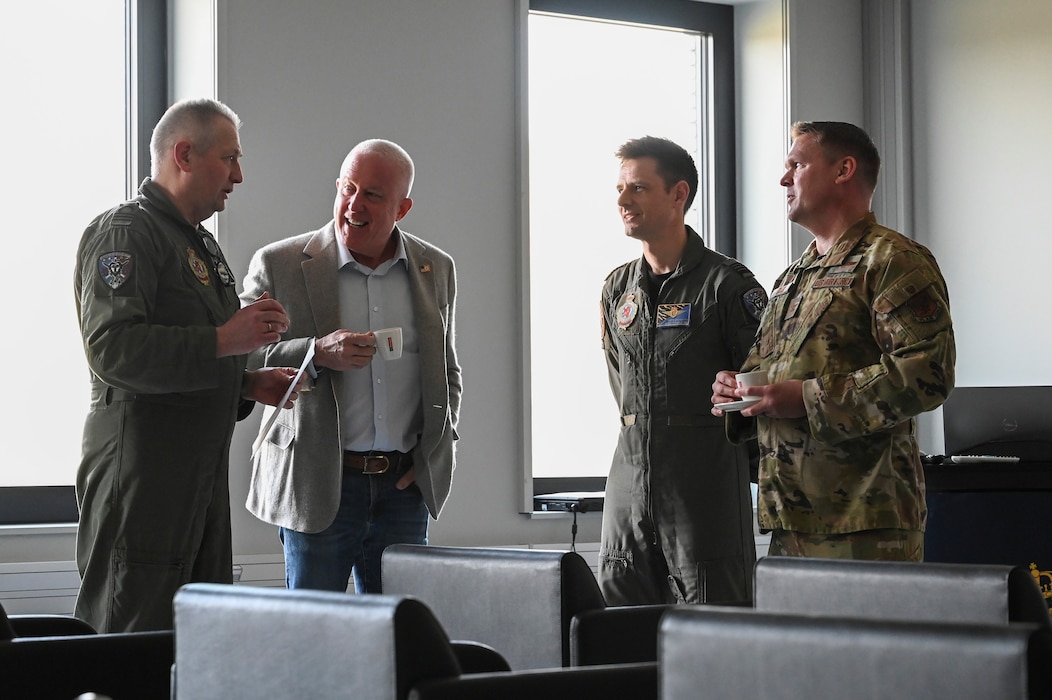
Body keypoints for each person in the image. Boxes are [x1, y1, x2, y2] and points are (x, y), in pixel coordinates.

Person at [74, 98, 302, 633]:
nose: (238, 176)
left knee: (197, 641)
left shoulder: (200, 245)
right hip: (143, 478)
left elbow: (198, 356)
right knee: (130, 642)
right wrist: (225, 339)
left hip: (197, 479)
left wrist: (246, 384)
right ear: (184, 155)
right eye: (229, 159)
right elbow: (113, 350)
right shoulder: (125, 234)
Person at [711, 120, 956, 561]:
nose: (784, 179)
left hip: (866, 520)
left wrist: (806, 398)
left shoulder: (892, 260)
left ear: (844, 170)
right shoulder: (792, 279)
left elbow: (927, 372)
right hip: (790, 515)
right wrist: (737, 390)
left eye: (797, 165)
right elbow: (765, 370)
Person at [241, 138, 462, 594]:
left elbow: (447, 371)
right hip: (319, 485)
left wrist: (434, 450)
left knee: (398, 630)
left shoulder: (436, 268)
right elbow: (242, 358)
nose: (354, 205)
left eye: (373, 195)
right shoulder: (280, 264)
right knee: (314, 629)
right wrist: (316, 352)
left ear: (402, 209)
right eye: (347, 188)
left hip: (403, 491)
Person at [599, 136, 767, 606]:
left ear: (679, 194)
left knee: (716, 620)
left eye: (638, 188)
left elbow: (761, 391)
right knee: (620, 623)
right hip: (628, 483)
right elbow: (620, 383)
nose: (623, 200)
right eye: (620, 189)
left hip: (704, 487)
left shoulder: (727, 285)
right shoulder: (617, 289)